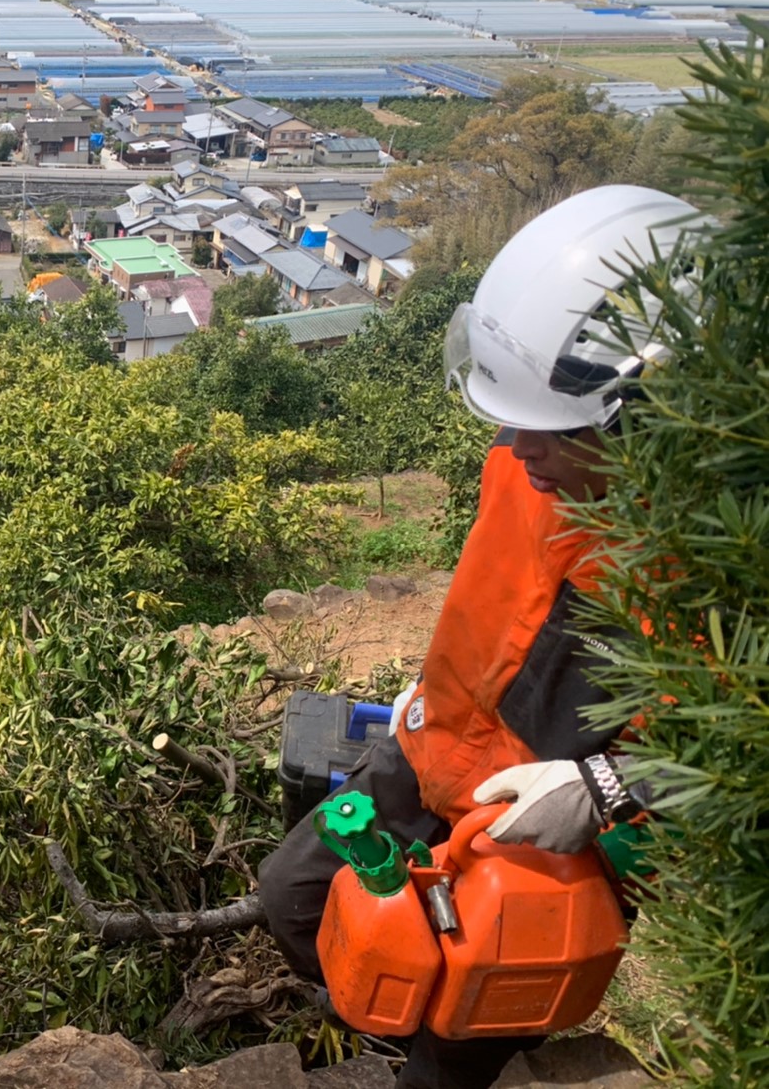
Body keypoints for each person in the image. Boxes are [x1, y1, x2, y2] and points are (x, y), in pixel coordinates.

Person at [258, 185, 700, 1089]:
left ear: (647, 416)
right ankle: (392, 1017)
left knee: (455, 1040)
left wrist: (605, 787)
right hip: (442, 747)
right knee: (294, 899)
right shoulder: (527, 456)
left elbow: (746, 738)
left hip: (555, 823)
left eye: (552, 430)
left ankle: (451, 1051)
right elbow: (491, 600)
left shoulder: (714, 552)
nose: (518, 447)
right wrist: (437, 689)